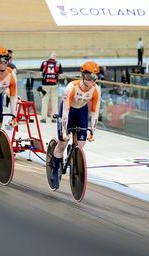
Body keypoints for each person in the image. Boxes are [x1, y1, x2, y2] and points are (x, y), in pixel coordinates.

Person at [50, 61, 101, 190]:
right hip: (68, 112)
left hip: (81, 112)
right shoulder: (71, 87)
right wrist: (64, 130)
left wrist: (93, 131)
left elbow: (95, 113)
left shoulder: (96, 90)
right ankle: (55, 170)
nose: (92, 81)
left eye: (95, 77)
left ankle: (72, 154)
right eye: (90, 77)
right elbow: (65, 112)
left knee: (81, 145)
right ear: (83, 75)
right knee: (63, 142)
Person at [40, 52, 63, 123]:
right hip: (54, 85)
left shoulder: (44, 63)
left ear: (49, 56)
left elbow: (41, 74)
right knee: (54, 102)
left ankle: (43, 118)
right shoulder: (58, 64)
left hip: (45, 84)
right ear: (55, 57)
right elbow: (60, 75)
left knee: (44, 101)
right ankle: (54, 118)